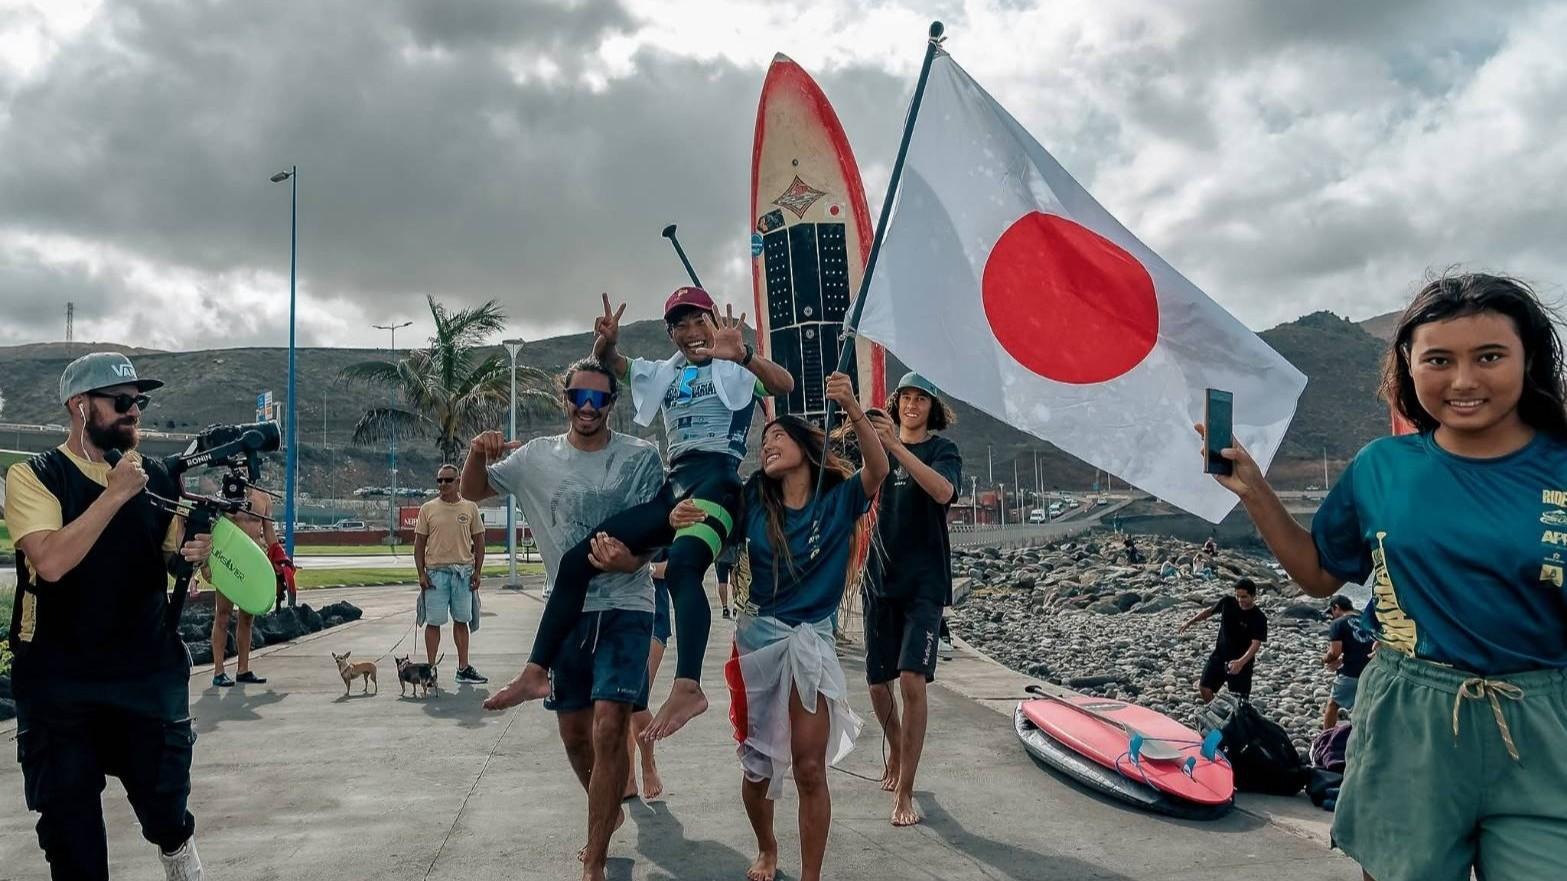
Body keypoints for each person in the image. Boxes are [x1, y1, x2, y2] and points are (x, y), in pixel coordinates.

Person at [1202, 273, 1567, 881]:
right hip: (1410, 714)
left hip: (1544, 721)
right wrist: (1255, 492)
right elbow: (1320, 575)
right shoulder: (1382, 467)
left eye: (1490, 356)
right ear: (1409, 365)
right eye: (1440, 360)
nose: (1464, 380)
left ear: (1527, 359)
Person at [495, 288, 795, 742]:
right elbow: (613, 364)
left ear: (714, 322)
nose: (692, 333)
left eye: (699, 321)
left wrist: (745, 355)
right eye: (681, 325)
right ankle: (537, 670)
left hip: (716, 483)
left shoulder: (735, 367)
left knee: (682, 571)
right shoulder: (662, 373)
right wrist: (606, 343)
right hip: (673, 487)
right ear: (671, 333)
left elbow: (784, 385)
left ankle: (689, 686)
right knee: (580, 560)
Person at [6, 352, 212, 880]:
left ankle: (176, 847)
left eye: (138, 403)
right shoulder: (35, 476)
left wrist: (195, 553)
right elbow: (49, 561)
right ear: (80, 407)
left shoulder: (158, 476)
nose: (133, 413)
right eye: (121, 403)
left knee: (165, 804)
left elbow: (170, 553)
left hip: (144, 672)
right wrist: (115, 494)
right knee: (72, 840)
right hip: (59, 682)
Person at [465, 358, 665, 881]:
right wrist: (475, 453)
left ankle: (594, 855)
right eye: (580, 396)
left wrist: (634, 561)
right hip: (568, 612)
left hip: (627, 605)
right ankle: (608, 812)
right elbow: (473, 492)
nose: (588, 407)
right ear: (566, 398)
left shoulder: (641, 457)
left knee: (608, 726)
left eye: (599, 399)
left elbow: (658, 527)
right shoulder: (536, 457)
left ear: (612, 405)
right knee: (575, 735)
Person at [705, 372, 887, 881]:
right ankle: (767, 847)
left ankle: (812, 876)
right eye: (764, 441)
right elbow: (713, 535)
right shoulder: (752, 503)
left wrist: (851, 404)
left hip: (811, 641)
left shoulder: (839, 500)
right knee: (756, 767)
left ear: (807, 447)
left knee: (809, 768)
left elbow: (878, 469)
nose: (769, 445)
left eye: (779, 436)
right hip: (759, 640)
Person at [861, 372, 962, 828]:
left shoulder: (942, 451)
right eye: (906, 398)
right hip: (879, 579)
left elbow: (944, 492)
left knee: (911, 680)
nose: (913, 406)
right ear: (896, 402)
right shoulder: (875, 448)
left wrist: (898, 449)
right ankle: (897, 748)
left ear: (932, 408)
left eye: (923, 399)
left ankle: (905, 788)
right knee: (877, 683)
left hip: (925, 582)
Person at [414, 464, 488, 684]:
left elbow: (480, 541)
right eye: (439, 481)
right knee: (434, 622)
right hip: (435, 575)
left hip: (462, 574)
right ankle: (429, 670)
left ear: (458, 482)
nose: (443, 485)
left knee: (462, 620)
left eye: (448, 480)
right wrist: (421, 574)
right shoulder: (428, 509)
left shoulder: (470, 508)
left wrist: (477, 571)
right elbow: (419, 544)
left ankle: (463, 668)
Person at [208, 484, 272, 687]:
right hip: (230, 562)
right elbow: (212, 529)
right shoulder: (225, 494)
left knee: (247, 618)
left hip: (252, 563)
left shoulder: (264, 498)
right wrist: (205, 565)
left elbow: (268, 532)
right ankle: (219, 671)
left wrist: (280, 560)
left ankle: (243, 669)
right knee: (223, 615)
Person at [625, 549, 671, 801]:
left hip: (653, 614)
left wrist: (637, 565)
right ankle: (628, 777)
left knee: (635, 699)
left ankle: (648, 763)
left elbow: (676, 566)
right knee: (619, 704)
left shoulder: (666, 514)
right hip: (616, 614)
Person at [1179, 578, 1267, 703]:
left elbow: (1255, 644)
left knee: (1239, 702)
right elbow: (1209, 611)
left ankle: (1235, 719)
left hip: (1242, 663)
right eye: (1238, 596)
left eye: (1244, 597)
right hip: (1219, 656)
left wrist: (1240, 663)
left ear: (1253, 596)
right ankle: (1217, 712)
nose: (1240, 600)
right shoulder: (1228, 602)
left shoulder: (1259, 618)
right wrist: (1190, 621)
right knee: (1205, 688)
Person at [1322, 595, 1373, 728]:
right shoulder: (1366, 619)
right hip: (1371, 671)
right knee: (1365, 706)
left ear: (1336, 607)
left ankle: (1327, 738)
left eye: (1332, 612)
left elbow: (1334, 652)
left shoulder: (1338, 623)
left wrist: (1325, 660)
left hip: (1351, 672)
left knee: (1333, 705)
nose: (1332, 616)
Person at [716, 538, 739, 620]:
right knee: (735, 583)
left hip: (721, 554)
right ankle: (736, 607)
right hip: (735, 554)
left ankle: (725, 608)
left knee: (722, 582)